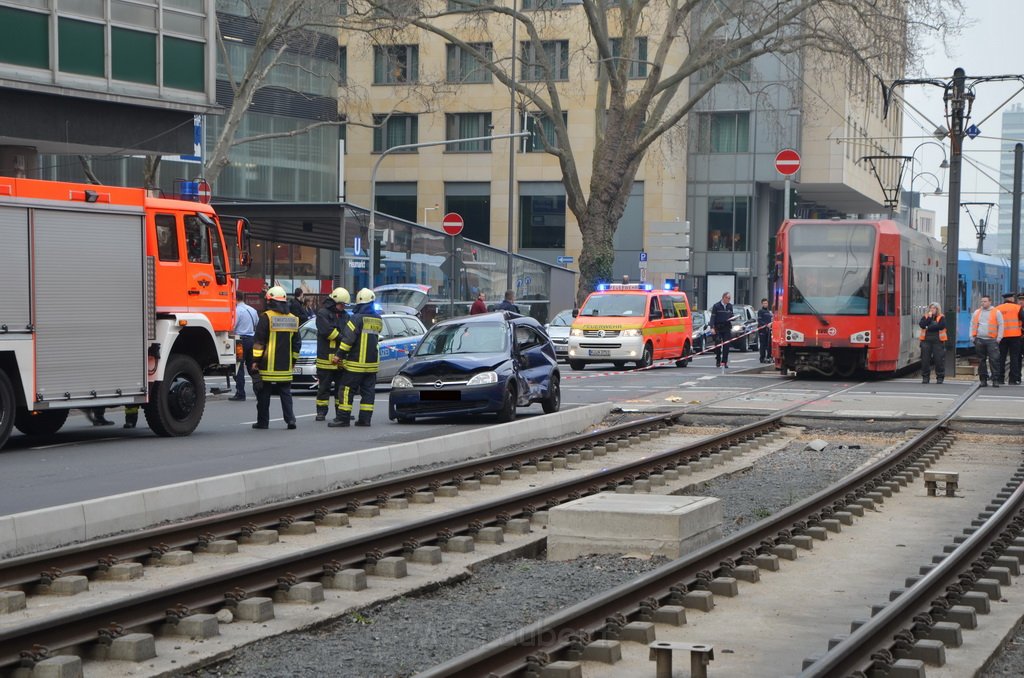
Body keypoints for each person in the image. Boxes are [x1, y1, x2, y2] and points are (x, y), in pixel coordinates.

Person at [329, 288, 383, 427]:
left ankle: (343, 418)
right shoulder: (378, 319)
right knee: (368, 392)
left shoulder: (356, 319)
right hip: (372, 365)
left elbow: (348, 340)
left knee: (346, 389)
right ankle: (365, 419)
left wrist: (338, 356)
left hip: (356, 364)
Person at [251, 286, 301, 429]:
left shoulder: (266, 317)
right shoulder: (293, 319)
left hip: (267, 366)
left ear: (270, 301)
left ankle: (263, 422)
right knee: (286, 394)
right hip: (285, 366)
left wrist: (255, 362)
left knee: (263, 395)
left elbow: (259, 342)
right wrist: (293, 361)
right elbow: (297, 344)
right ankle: (290, 420)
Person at [315, 287, 350, 421]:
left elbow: (349, 331)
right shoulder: (322, 313)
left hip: (340, 360)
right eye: (341, 304)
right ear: (334, 301)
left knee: (340, 390)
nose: (343, 307)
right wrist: (343, 337)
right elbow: (327, 331)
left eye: (344, 305)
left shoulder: (345, 315)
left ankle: (340, 412)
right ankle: (321, 412)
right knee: (323, 388)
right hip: (325, 360)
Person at [228, 291, 259, 401]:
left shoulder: (237, 311)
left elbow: (232, 326)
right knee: (252, 367)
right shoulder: (252, 310)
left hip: (240, 341)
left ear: (235, 299)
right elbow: (256, 324)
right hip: (252, 339)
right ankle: (259, 391)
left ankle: (241, 393)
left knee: (238, 367)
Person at [970, 295, 1004, 387]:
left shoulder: (996, 312)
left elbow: (1001, 325)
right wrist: (972, 337)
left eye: (985, 301)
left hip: (992, 340)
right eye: (982, 301)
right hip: (980, 339)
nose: (983, 303)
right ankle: (983, 379)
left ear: (990, 302)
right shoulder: (977, 312)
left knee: (994, 360)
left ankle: (995, 379)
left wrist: (999, 338)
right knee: (981, 361)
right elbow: (972, 324)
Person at [995, 292, 1023, 385]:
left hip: (1002, 337)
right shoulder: (1017, 308)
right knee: (1014, 358)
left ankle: (1000, 379)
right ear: (1012, 299)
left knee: (1001, 358)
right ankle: (1013, 379)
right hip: (1015, 336)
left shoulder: (997, 308)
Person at [918, 302, 947, 384]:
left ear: (937, 309)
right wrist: (929, 319)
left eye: (934, 308)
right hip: (926, 341)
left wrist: (928, 327)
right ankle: (925, 377)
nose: (932, 310)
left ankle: (940, 377)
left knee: (939, 360)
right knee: (925, 360)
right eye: (931, 308)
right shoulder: (926, 317)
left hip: (938, 341)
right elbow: (922, 325)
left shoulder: (941, 317)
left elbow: (941, 326)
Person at [710, 291, 734, 368]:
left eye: (730, 298)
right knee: (717, 344)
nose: (729, 300)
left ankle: (724, 361)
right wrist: (712, 327)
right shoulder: (716, 306)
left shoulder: (730, 306)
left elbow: (731, 315)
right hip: (718, 327)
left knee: (726, 345)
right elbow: (713, 317)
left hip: (726, 327)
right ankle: (718, 359)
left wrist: (733, 318)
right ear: (723, 297)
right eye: (728, 298)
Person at [757, 298, 773, 363]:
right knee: (763, 344)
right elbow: (760, 320)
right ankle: (762, 358)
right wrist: (766, 325)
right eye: (764, 303)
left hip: (768, 330)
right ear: (762, 304)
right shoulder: (760, 311)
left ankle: (768, 357)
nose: (765, 304)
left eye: (766, 303)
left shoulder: (769, 312)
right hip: (762, 330)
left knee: (768, 344)